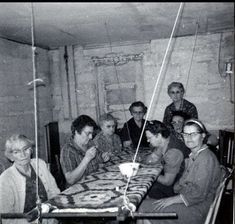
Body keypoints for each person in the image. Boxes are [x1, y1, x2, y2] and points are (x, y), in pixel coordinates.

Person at [137, 119, 222, 224]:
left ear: (203, 136)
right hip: (191, 201)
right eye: (185, 134)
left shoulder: (206, 159)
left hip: (196, 210)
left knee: (142, 206)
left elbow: (198, 194)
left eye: (193, 134)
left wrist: (171, 200)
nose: (189, 138)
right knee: (145, 204)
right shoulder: (196, 154)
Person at [0, 134, 60, 224]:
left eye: (25, 149)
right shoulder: (5, 179)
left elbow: (55, 193)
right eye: (17, 152)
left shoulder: (40, 164)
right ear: (11, 157)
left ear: (31, 150)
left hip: (51, 219)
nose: (23, 155)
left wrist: (54, 217)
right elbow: (7, 218)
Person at [144, 120, 190, 200]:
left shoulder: (173, 152)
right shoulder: (165, 140)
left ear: (158, 135)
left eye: (149, 138)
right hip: (174, 178)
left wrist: (149, 172)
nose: (148, 141)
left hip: (179, 187)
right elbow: (153, 158)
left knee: (148, 187)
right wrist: (141, 165)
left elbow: (167, 182)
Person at [60, 115, 109, 187]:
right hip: (78, 189)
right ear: (76, 132)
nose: (91, 137)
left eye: (92, 133)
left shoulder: (90, 143)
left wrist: (103, 157)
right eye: (88, 133)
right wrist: (86, 159)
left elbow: (97, 159)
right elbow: (70, 180)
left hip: (94, 183)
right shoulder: (67, 150)